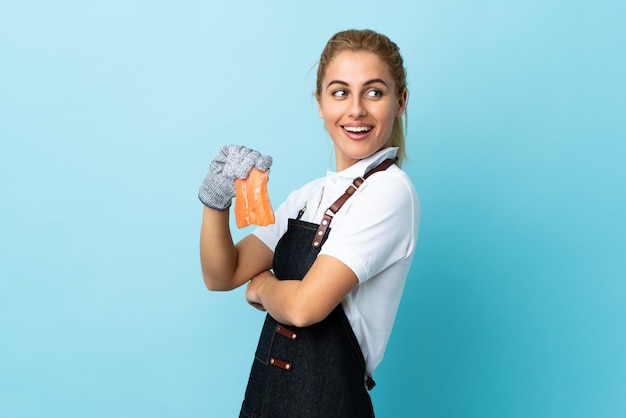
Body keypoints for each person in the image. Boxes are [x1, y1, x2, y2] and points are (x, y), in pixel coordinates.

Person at [198, 29, 420, 418]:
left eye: (373, 92)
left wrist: (263, 286)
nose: (355, 110)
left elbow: (304, 308)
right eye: (339, 92)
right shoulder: (307, 197)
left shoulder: (389, 192)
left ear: (399, 101)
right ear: (320, 103)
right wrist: (216, 203)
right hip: (264, 404)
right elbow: (223, 274)